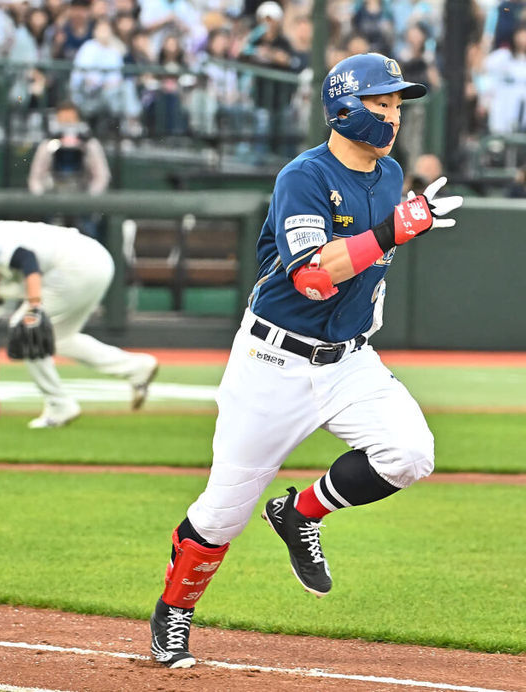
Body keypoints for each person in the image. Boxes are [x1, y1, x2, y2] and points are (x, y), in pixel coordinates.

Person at [147, 51, 462, 669]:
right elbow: (314, 277)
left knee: (410, 453)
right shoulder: (304, 176)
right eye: (382, 102)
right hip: (274, 360)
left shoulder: (391, 174)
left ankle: (299, 512)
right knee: (223, 510)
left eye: (399, 103)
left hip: (349, 360)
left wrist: (392, 228)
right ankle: (174, 612)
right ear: (345, 107)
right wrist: (394, 231)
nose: (395, 115)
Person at [0, 209, 160, 428]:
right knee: (58, 338)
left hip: (78, 261)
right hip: (90, 264)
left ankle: (59, 405)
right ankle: (136, 368)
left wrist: (34, 307)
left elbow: (26, 259)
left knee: (25, 327)